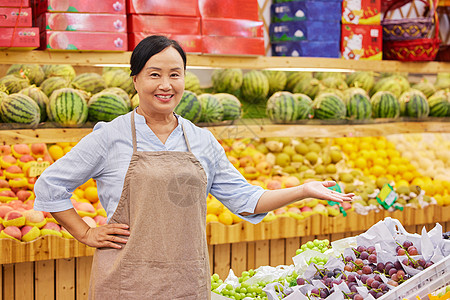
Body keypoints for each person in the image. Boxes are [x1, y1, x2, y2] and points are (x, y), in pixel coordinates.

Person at [34, 35, 354, 299]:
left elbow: (247, 199)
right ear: (136, 79)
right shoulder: (111, 136)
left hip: (185, 284)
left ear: (185, 79)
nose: (166, 84)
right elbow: (49, 186)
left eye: (175, 74)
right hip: (125, 283)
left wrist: (303, 190)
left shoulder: (201, 141)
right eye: (154, 74)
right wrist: (86, 232)